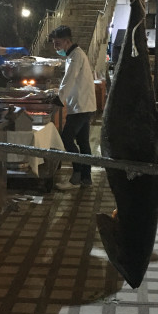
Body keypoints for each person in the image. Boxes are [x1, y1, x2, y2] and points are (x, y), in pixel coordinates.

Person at [49, 25, 96, 190]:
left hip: (81, 105)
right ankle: (86, 178)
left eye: (57, 43)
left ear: (67, 41)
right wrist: (59, 94)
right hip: (82, 105)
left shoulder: (76, 56)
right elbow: (69, 80)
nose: (55, 47)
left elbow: (69, 78)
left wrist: (59, 98)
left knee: (66, 138)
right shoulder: (73, 55)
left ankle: (77, 176)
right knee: (83, 143)